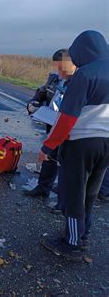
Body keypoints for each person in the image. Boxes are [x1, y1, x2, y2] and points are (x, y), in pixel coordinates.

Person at [39, 30, 109, 261]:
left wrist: (48, 147)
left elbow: (67, 118)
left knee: (73, 193)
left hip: (81, 143)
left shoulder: (85, 74)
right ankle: (82, 235)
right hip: (106, 143)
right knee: (91, 192)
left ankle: (71, 244)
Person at [24, 49, 76, 208]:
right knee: (49, 157)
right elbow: (41, 93)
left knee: (67, 164)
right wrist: (33, 103)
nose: (60, 72)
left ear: (73, 64)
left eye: (63, 68)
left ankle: (64, 202)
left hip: (70, 129)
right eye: (57, 68)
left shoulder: (79, 81)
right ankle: (43, 187)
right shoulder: (54, 78)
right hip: (51, 124)